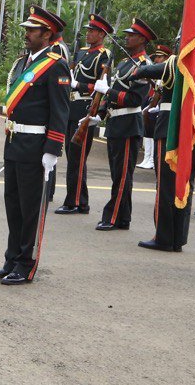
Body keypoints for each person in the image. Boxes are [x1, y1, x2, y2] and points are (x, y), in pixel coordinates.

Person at [0, 5, 70, 285]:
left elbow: (60, 110)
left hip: (36, 144)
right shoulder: (24, 62)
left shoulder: (56, 64)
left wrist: (52, 149)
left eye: (32, 30)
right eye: (26, 29)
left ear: (47, 34)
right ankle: (11, 258)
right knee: (13, 204)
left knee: (31, 207)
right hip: (14, 140)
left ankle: (26, 263)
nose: (27, 34)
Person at [130, 34, 195, 252]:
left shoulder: (176, 63)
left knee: (166, 184)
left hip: (170, 129)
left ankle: (164, 237)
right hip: (192, 131)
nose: (178, 44)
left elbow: (144, 71)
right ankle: (178, 236)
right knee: (185, 183)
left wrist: (138, 71)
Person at [93, 18, 155, 232]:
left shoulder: (144, 65)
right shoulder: (123, 63)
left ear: (142, 39)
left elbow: (135, 99)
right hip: (115, 122)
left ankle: (113, 216)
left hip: (129, 123)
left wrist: (107, 91)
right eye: (127, 34)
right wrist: (99, 113)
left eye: (132, 35)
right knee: (117, 174)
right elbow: (113, 95)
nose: (127, 37)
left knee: (121, 176)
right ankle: (123, 218)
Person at [55, 14, 114, 215]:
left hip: (86, 109)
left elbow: (100, 86)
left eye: (92, 31)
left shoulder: (104, 55)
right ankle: (81, 200)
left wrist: (78, 85)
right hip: (72, 108)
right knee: (72, 157)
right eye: (88, 30)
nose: (88, 33)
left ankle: (74, 201)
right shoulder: (80, 52)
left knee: (77, 159)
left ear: (101, 34)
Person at [138, 45, 172, 169]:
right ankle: (148, 158)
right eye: (156, 57)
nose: (157, 60)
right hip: (155, 105)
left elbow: (161, 92)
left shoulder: (168, 71)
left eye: (160, 57)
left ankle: (152, 159)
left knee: (153, 132)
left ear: (167, 58)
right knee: (148, 130)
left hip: (161, 108)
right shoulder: (161, 72)